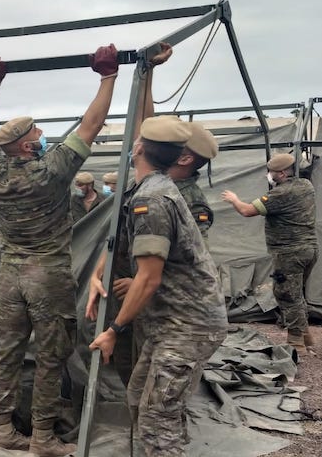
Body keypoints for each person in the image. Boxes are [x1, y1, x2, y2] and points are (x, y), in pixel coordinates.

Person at [0, 44, 120, 454]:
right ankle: (42, 437)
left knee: (7, 353)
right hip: (47, 273)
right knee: (51, 357)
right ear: (24, 145)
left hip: (9, 274)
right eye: (36, 133)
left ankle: (1, 429)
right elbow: (91, 125)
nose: (41, 136)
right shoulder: (51, 171)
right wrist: (108, 76)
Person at [87, 116, 227, 456]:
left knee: (157, 416)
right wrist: (98, 273)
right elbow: (120, 238)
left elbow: (149, 277)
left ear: (137, 149)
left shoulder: (154, 200)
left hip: (187, 325)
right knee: (139, 399)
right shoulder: (148, 189)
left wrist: (114, 330)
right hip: (169, 323)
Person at [221, 153, 317, 354]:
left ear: (281, 173)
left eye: (271, 172)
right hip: (309, 249)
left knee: (287, 295)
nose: (269, 176)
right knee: (297, 294)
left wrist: (234, 199)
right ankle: (306, 337)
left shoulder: (281, 194)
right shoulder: (306, 186)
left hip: (289, 253)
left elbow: (247, 211)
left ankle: (296, 344)